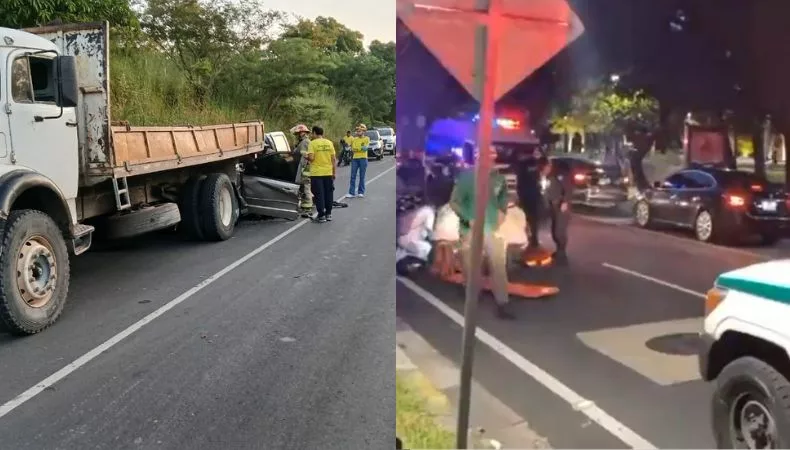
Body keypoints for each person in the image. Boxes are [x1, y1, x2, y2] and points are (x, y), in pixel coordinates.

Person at [449, 147, 514, 320]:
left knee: (498, 267)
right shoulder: (467, 178)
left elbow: (503, 201)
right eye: (487, 155)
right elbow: (454, 202)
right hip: (470, 230)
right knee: (471, 268)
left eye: (493, 155)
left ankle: (502, 304)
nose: (491, 159)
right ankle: (471, 300)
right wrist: (469, 219)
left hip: (492, 229)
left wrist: (501, 216)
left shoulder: (499, 178)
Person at [542, 157, 573, 264]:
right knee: (554, 230)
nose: (545, 169)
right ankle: (559, 250)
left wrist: (565, 202)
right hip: (554, 206)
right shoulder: (550, 176)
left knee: (559, 230)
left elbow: (568, 189)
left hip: (561, 207)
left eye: (547, 166)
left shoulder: (561, 175)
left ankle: (562, 252)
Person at [513, 148, 545, 251]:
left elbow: (537, 179)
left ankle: (532, 239)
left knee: (532, 218)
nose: (538, 155)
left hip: (531, 195)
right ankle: (530, 239)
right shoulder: (527, 164)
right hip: (529, 195)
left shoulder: (533, 164)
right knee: (529, 218)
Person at [305, 125, 336, 223]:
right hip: (328, 172)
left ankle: (321, 215)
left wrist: (306, 156)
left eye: (312, 133)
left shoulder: (312, 143)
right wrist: (334, 172)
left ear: (314, 133)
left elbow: (312, 158)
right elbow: (334, 159)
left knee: (319, 194)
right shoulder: (329, 143)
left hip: (316, 173)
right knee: (328, 193)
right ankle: (329, 214)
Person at [290, 123, 313, 218]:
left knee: (306, 187)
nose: (296, 136)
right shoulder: (302, 142)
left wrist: (302, 169)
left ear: (302, 133)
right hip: (304, 168)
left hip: (305, 169)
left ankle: (307, 208)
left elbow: (304, 157)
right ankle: (305, 207)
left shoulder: (304, 142)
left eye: (297, 134)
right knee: (304, 188)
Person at [349, 124, 371, 197]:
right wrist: (359, 149)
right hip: (355, 159)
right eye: (357, 131)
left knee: (362, 176)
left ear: (363, 131)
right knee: (353, 176)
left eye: (359, 131)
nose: (358, 132)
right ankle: (351, 193)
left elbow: (365, 148)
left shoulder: (367, 138)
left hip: (363, 159)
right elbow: (353, 149)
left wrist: (359, 149)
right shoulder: (354, 139)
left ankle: (361, 192)